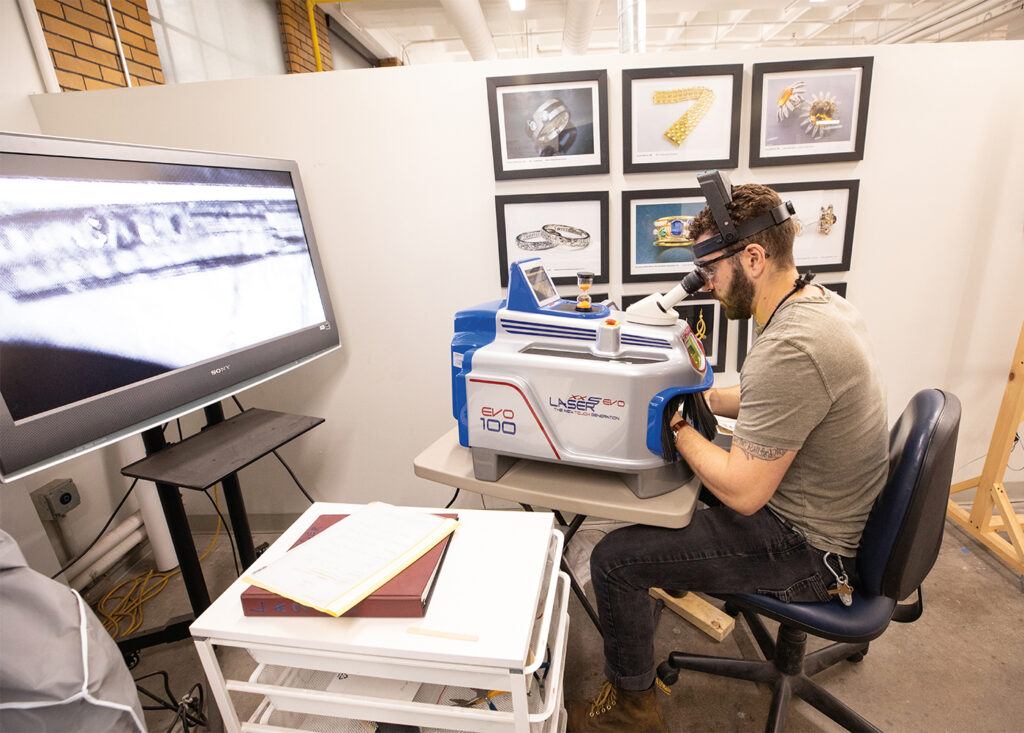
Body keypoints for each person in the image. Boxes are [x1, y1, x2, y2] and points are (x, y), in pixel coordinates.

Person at [566, 182, 888, 732]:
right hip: (834, 513)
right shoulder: (819, 305)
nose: (707, 285)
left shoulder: (793, 347)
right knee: (687, 479)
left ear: (754, 258)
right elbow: (776, 395)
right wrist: (705, 398)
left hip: (810, 551)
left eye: (710, 270)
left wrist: (675, 424)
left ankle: (634, 710)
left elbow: (743, 491)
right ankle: (686, 571)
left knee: (615, 559)